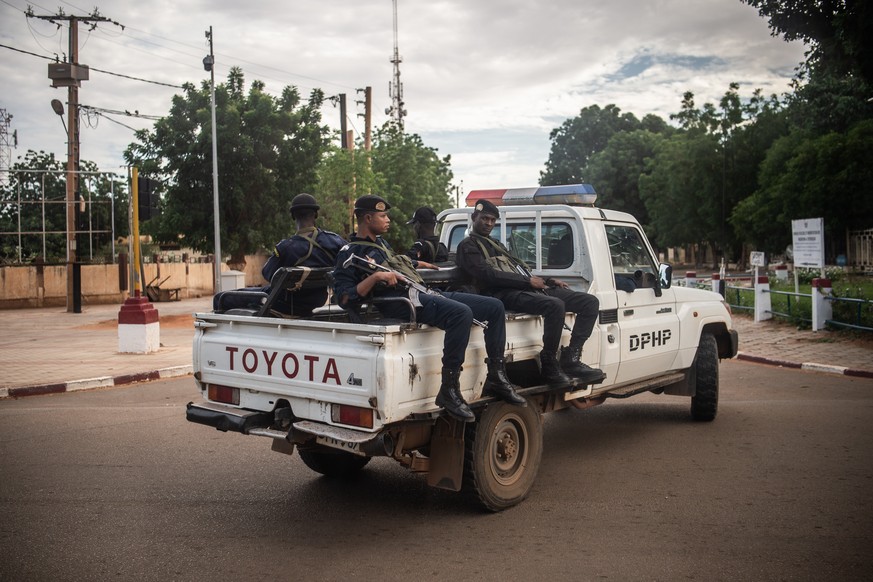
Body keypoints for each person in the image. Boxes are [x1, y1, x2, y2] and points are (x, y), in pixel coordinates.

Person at [333, 194, 525, 423]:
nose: (388, 220)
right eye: (382, 215)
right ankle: (449, 389)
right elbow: (344, 297)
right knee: (460, 313)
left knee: (494, 307)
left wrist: (416, 263)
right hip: (400, 303)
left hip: (420, 293)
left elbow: (395, 262)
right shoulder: (349, 252)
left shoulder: (381, 245)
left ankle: (496, 374)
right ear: (367, 218)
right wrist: (375, 278)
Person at [456, 199, 605, 385]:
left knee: (589, 302)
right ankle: (549, 362)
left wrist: (548, 281)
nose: (488, 223)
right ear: (474, 217)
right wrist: (528, 282)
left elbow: (519, 269)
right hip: (501, 294)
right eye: (484, 218)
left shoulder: (495, 244)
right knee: (555, 305)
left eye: (492, 220)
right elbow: (486, 275)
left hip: (522, 287)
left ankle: (571, 358)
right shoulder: (468, 246)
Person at [262, 193, 347, 316]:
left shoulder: (286, 247)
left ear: (293, 216)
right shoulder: (336, 241)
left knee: (226, 297)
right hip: (318, 302)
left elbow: (267, 274)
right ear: (316, 214)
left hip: (284, 305)